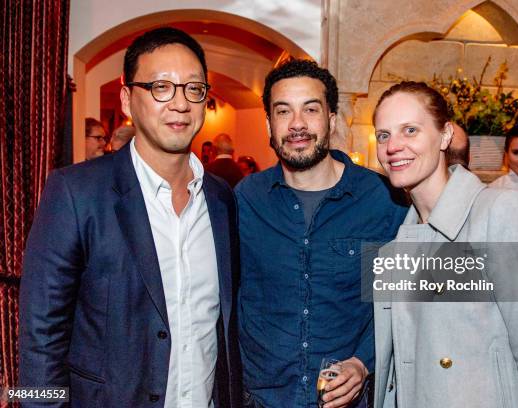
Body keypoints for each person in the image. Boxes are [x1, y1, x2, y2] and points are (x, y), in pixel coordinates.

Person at [19, 27, 242, 408]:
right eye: (160, 87)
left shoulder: (221, 199)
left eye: (193, 88)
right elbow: (39, 335)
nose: (180, 103)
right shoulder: (75, 192)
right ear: (126, 99)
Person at [372, 81, 518, 407]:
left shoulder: (504, 214)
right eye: (384, 135)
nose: (393, 145)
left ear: (445, 135)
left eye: (410, 130)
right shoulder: (398, 246)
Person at [236, 59, 408, 408]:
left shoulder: (383, 200)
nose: (297, 124)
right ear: (269, 124)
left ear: (331, 119)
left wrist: (363, 362)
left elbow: (401, 300)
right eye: (283, 111)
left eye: (310, 109)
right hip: (261, 399)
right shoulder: (244, 200)